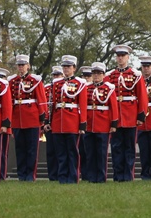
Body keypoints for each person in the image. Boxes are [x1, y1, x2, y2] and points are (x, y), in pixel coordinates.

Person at [107, 44, 147, 182]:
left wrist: (141, 115)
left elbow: (142, 96)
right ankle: (118, 175)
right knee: (116, 147)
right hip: (116, 116)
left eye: (123, 56)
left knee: (129, 147)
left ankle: (128, 175)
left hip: (130, 115)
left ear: (128, 57)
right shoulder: (110, 75)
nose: (120, 58)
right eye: (118, 56)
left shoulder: (135, 75)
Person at [48, 55, 88, 184]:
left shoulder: (80, 83)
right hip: (58, 121)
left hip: (72, 121)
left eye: (68, 67)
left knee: (72, 151)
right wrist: (49, 121)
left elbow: (82, 105)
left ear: (74, 68)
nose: (66, 69)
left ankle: (73, 177)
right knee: (60, 152)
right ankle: (62, 177)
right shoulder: (57, 83)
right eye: (64, 67)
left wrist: (82, 124)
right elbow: (53, 104)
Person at [9, 54, 47, 181]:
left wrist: (43, 117)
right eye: (19, 65)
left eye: (23, 65)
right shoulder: (12, 81)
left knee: (31, 149)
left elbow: (41, 99)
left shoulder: (35, 81)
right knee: (20, 149)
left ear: (28, 66)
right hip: (17, 119)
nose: (21, 67)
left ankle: (30, 175)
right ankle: (21, 174)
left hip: (32, 118)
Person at [83, 61, 118, 182]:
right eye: (94, 73)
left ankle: (101, 177)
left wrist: (114, 123)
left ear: (103, 75)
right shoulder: (86, 88)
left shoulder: (109, 88)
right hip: (89, 124)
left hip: (103, 124)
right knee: (90, 153)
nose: (96, 76)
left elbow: (113, 106)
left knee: (101, 153)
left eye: (99, 73)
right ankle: (91, 177)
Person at [43, 65, 61, 181]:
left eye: (58, 75)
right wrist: (45, 122)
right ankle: (52, 175)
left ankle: (61, 173)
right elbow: (45, 106)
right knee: (50, 151)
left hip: (59, 122)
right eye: (54, 75)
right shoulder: (47, 88)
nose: (56, 77)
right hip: (49, 122)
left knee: (60, 150)